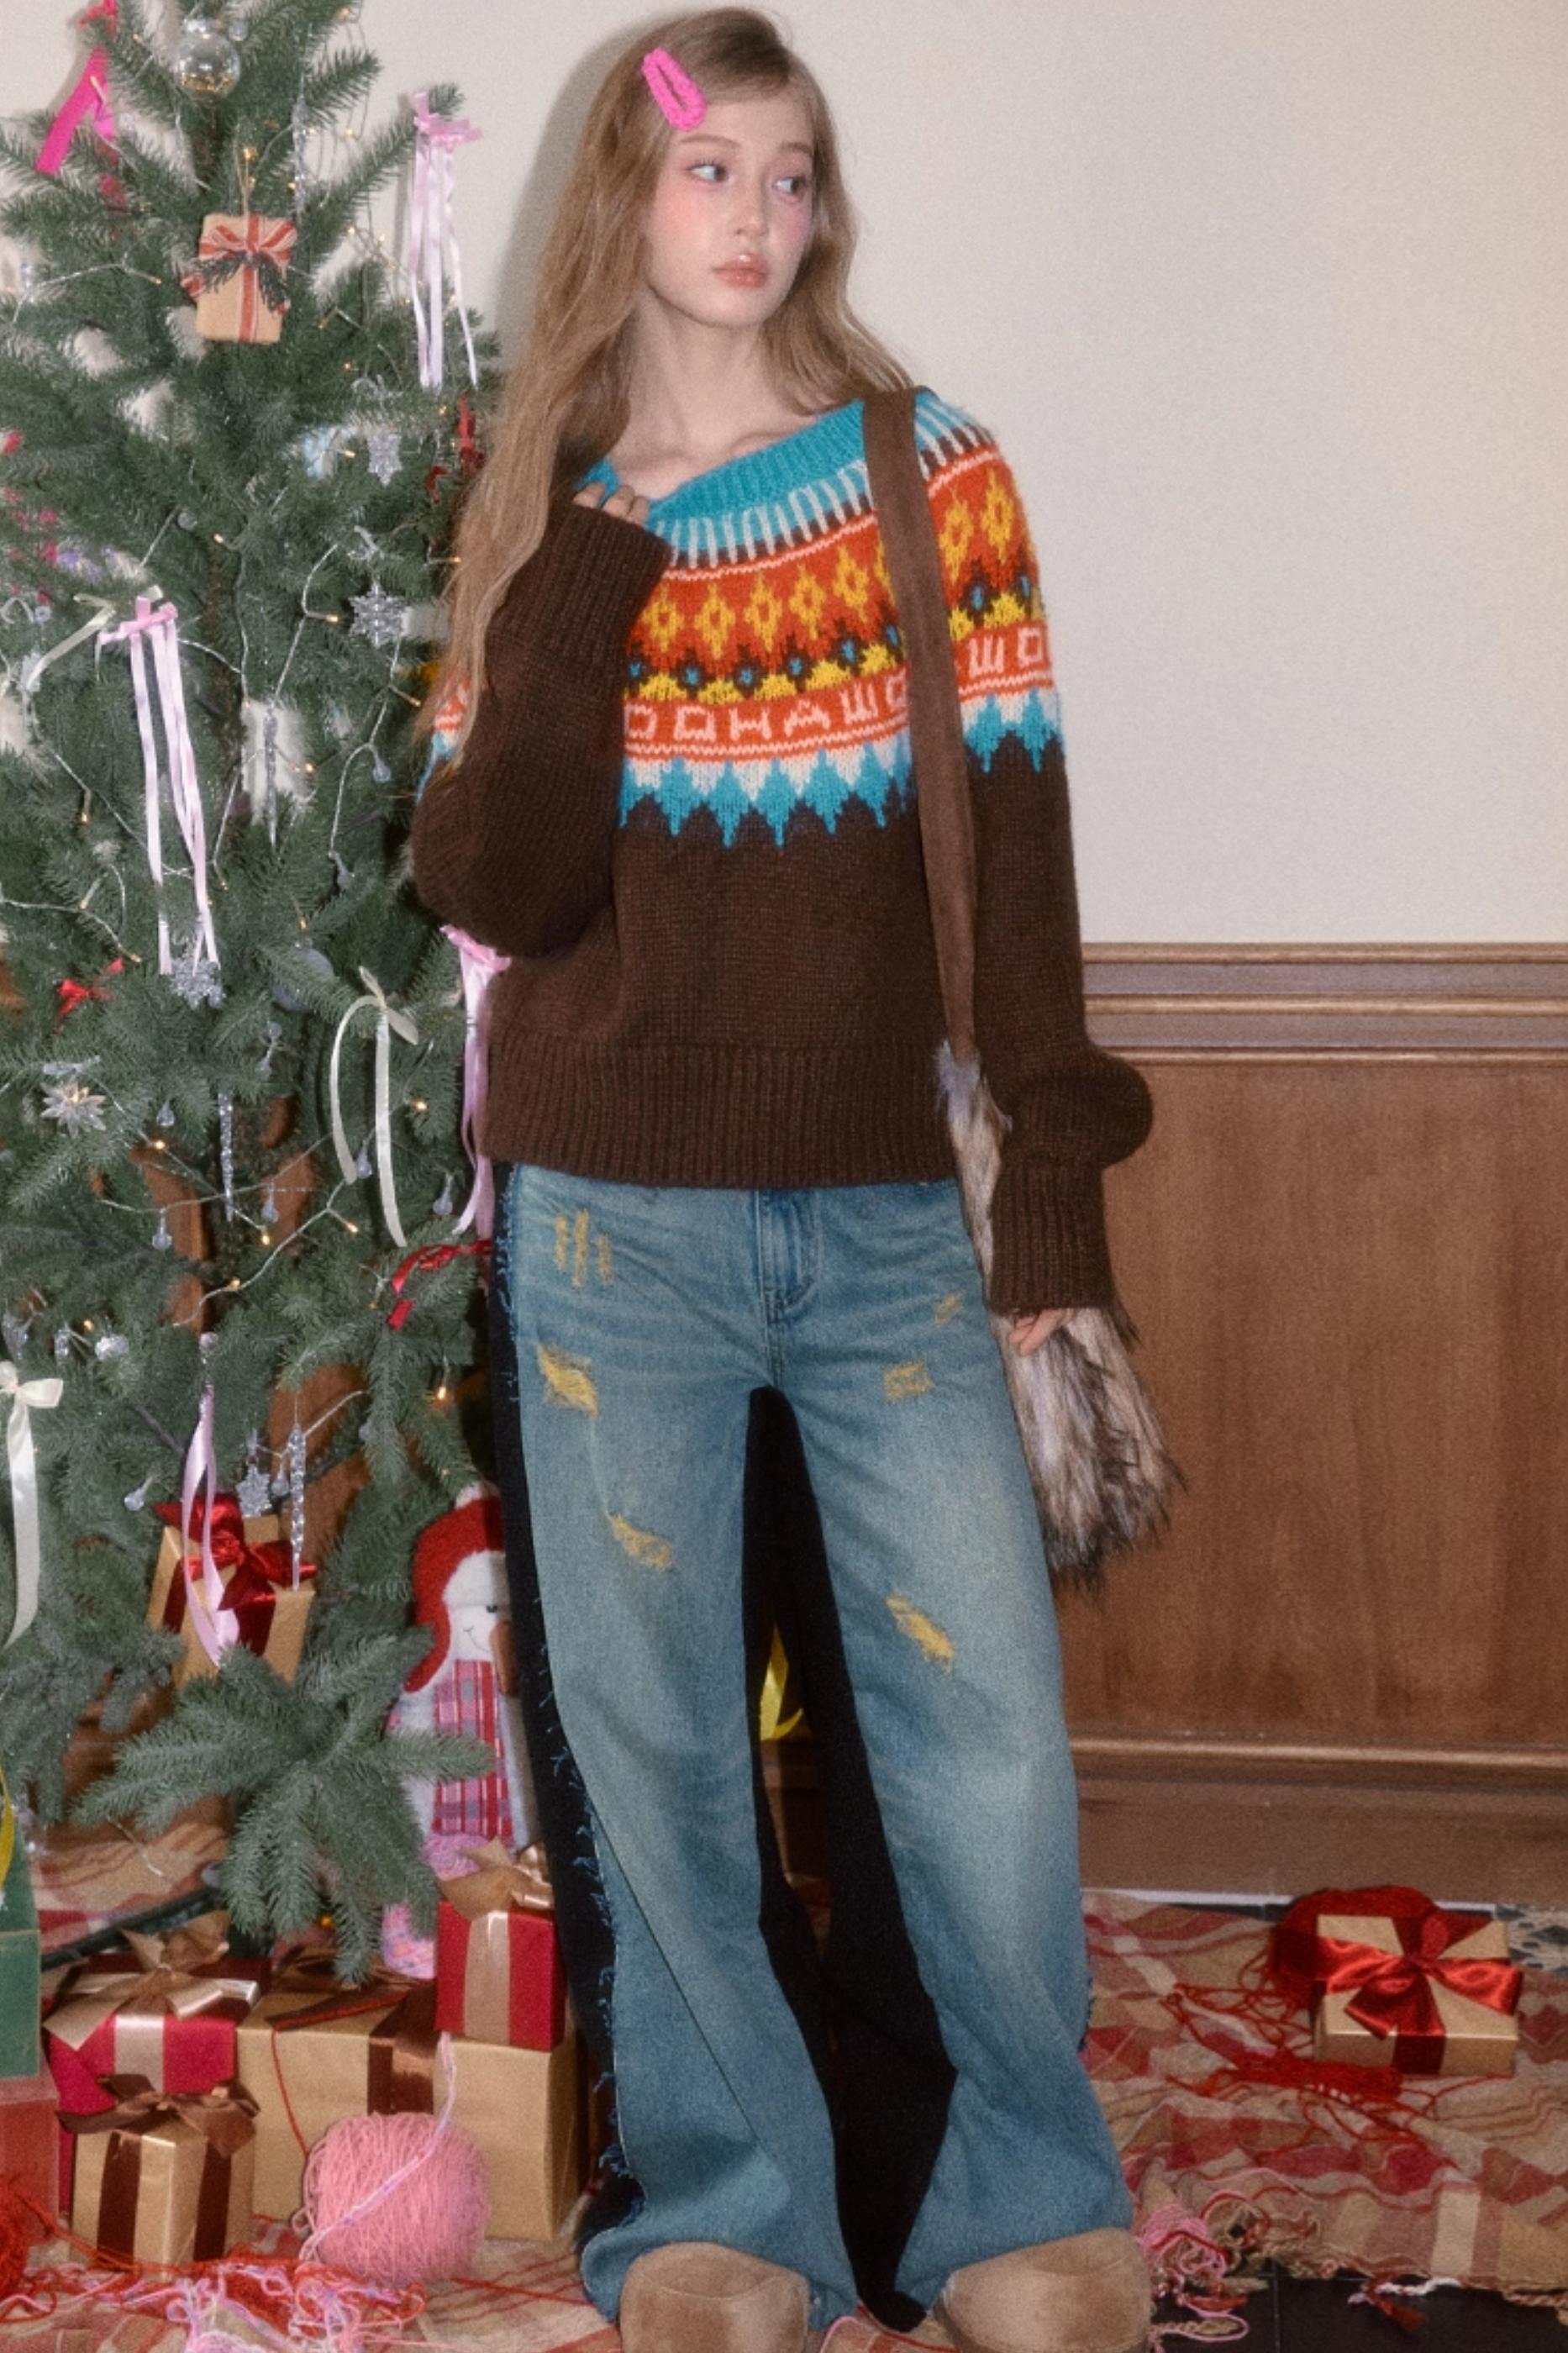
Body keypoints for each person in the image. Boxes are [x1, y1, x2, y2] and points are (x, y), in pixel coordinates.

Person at [409, 13, 1156, 2352]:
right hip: (606, 1222)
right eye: (707, 169)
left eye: (791, 172)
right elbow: (501, 886)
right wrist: (586, 564)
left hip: (886, 1222)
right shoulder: (548, 506)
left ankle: (1021, 2213)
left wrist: (1051, 1214)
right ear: (619, 201)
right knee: (652, 1765)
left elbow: (1015, 880)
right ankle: (723, 2223)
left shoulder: (930, 477)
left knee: (982, 1749)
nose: (752, 216)